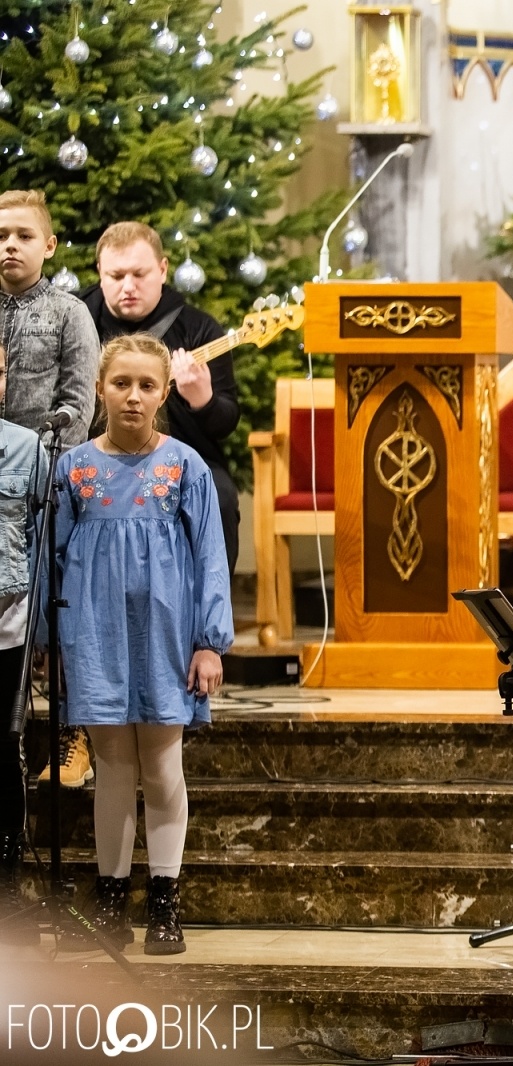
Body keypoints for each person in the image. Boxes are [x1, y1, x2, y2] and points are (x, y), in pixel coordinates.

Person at [53, 333, 232, 955]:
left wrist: (209, 642)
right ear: (101, 387)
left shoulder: (184, 466)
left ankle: (164, 903)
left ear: (163, 393)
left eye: (147, 385)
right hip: (95, 633)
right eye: (121, 383)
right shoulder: (73, 468)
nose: (133, 396)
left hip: (166, 634)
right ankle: (109, 901)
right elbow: (54, 557)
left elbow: (210, 556)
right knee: (112, 769)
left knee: (160, 766)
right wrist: (54, 638)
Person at [0, 190, 98, 792]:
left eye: (23, 235)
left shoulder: (68, 314)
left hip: (45, 483)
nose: (9, 245)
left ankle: (72, 731)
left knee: (56, 600)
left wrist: (38, 465)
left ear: (49, 245)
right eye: (0, 235)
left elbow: (77, 407)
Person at [82, 222, 241, 574]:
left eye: (139, 274)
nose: (128, 286)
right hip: (94, 455)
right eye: (116, 275)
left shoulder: (200, 329)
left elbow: (226, 422)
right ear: (100, 273)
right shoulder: (80, 320)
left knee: (220, 494)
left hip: (182, 460)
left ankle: (208, 619)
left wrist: (204, 400)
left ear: (163, 269)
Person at [0, 342, 47, 945]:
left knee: (2, 753)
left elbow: (42, 536)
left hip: (6, 624)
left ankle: (7, 878)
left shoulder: (25, 447)